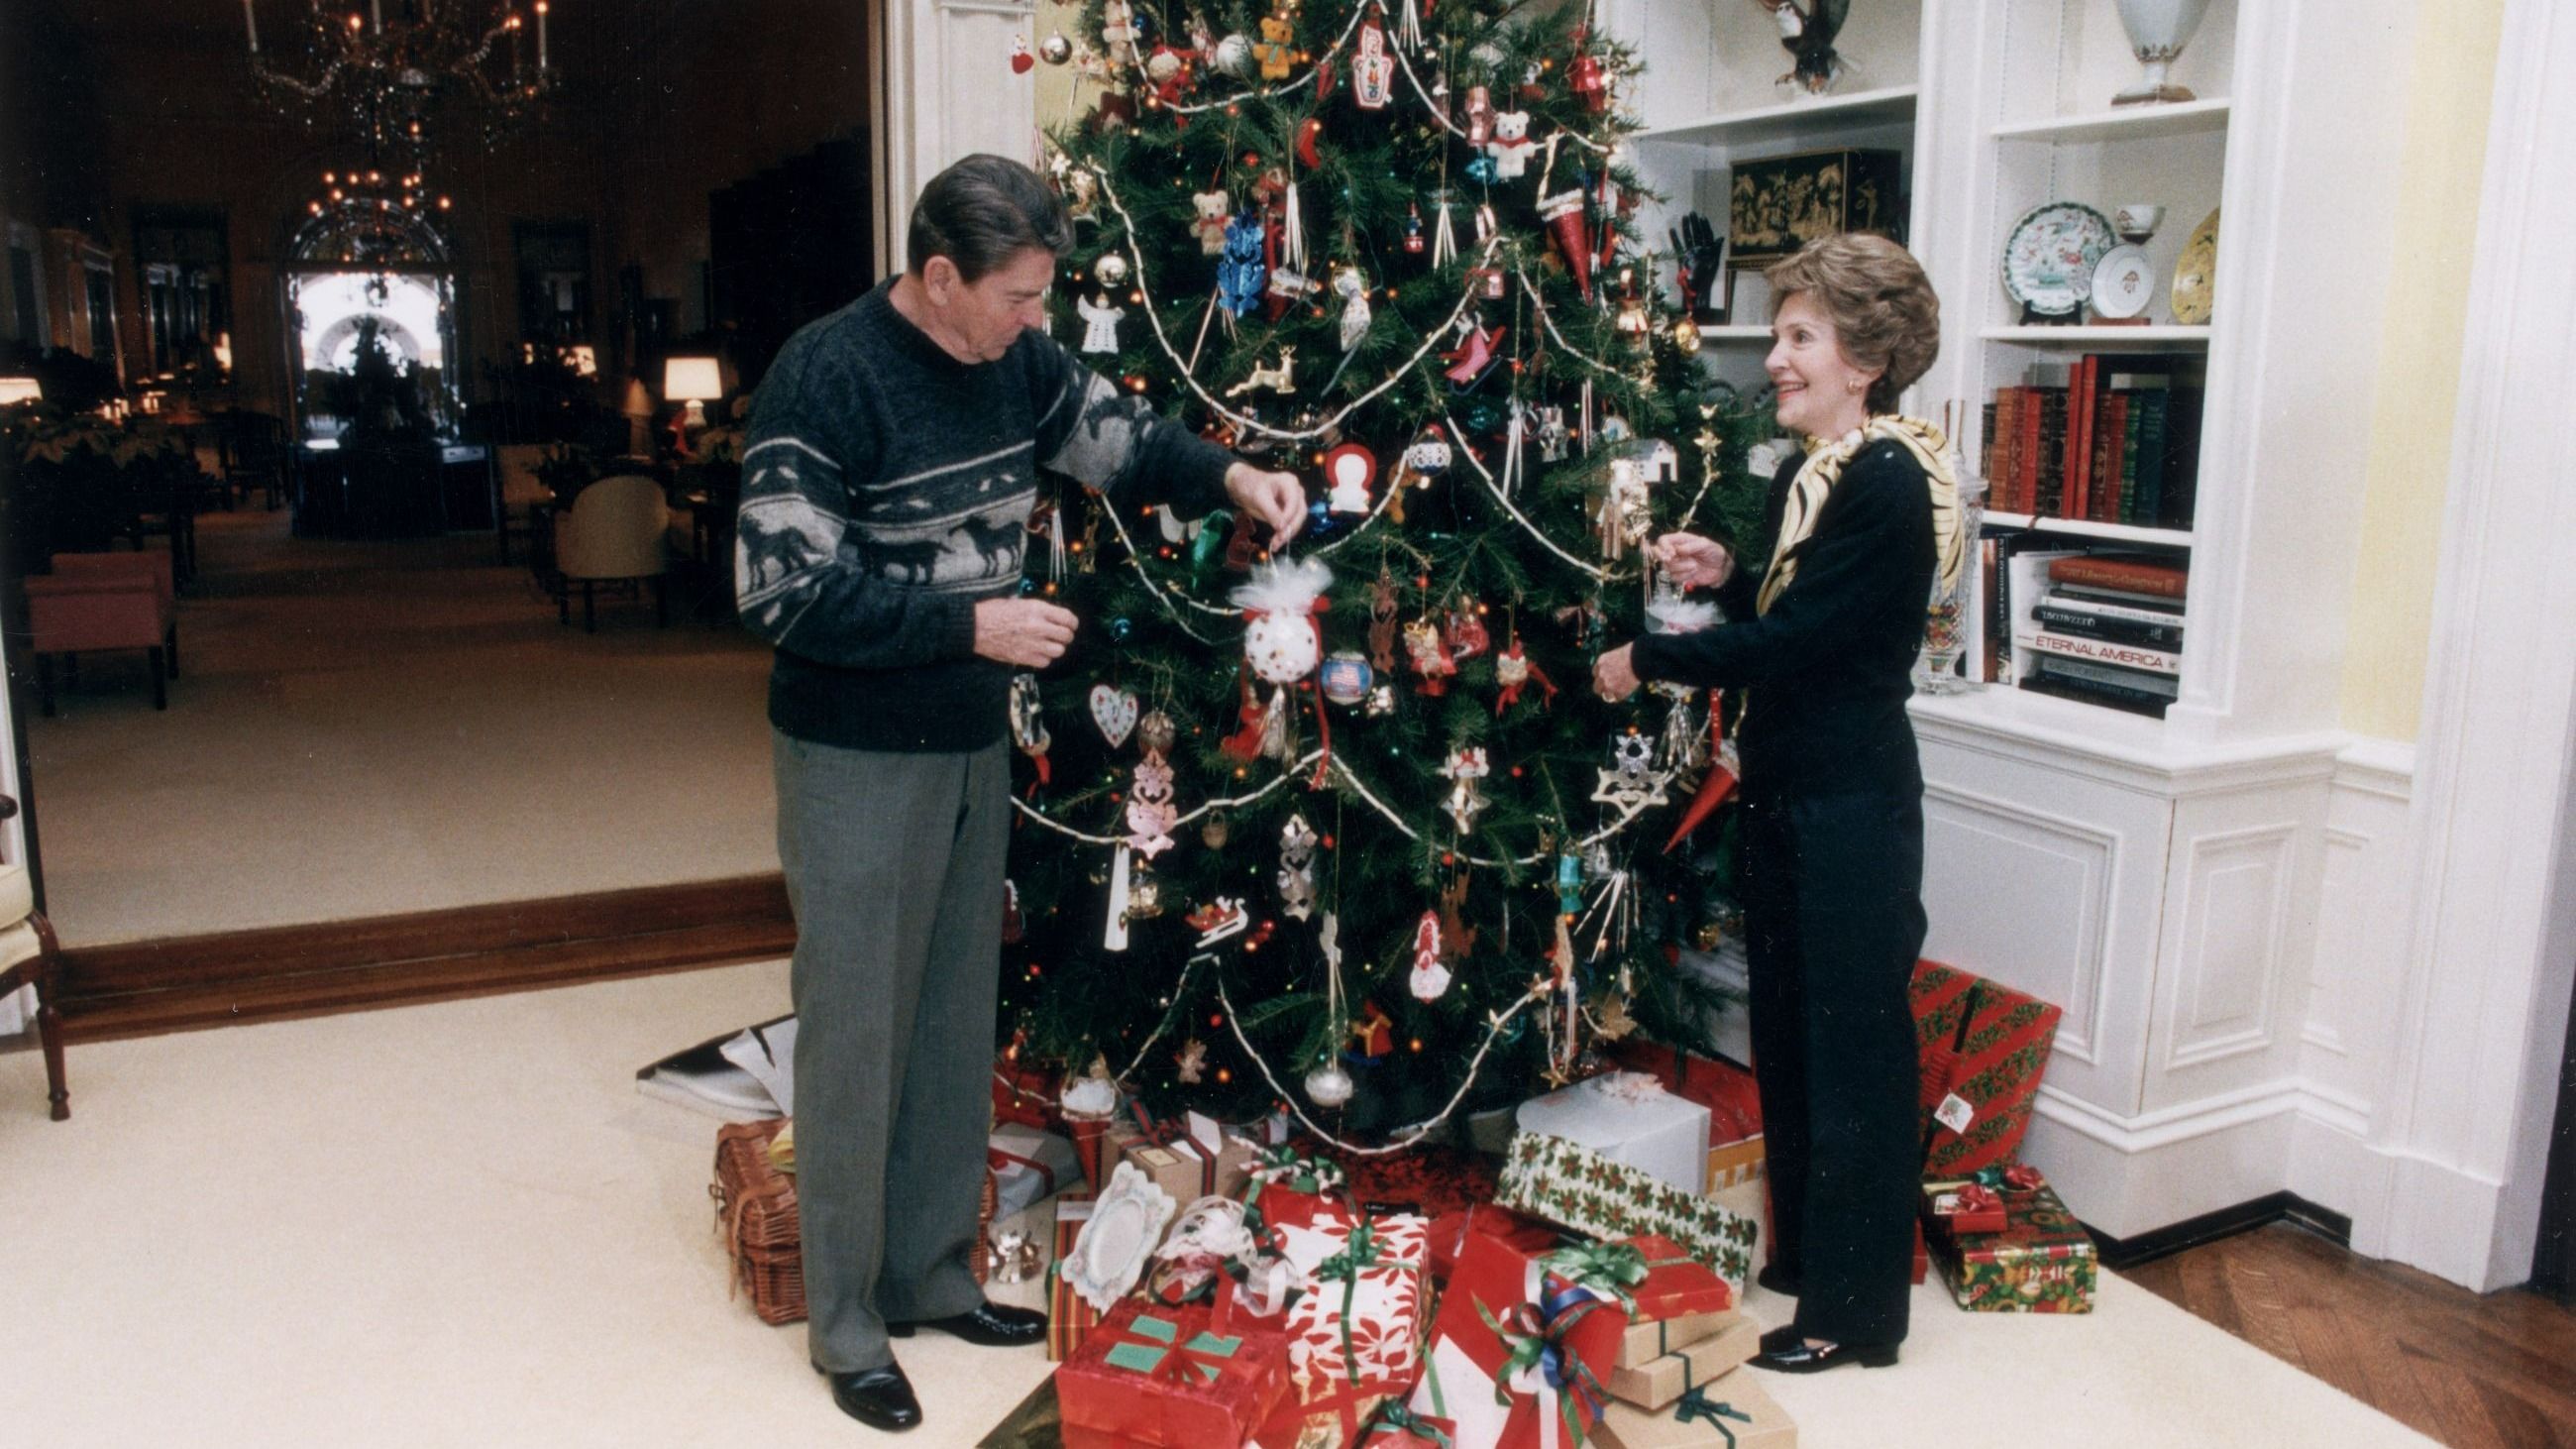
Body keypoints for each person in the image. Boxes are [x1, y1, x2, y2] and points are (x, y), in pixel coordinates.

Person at [734, 154, 1306, 1433]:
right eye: (1018, 296)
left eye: (1044, 297)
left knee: (948, 1013)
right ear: (938, 279)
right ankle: (846, 1323)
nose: (1035, 321)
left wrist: (1232, 477)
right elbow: (778, 590)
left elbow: (1122, 437)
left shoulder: (1020, 363)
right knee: (857, 1027)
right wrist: (970, 624)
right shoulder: (824, 375)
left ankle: (932, 1272)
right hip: (852, 746)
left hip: (964, 739)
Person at [1593, 232, 1961, 1375]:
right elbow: (1807, 608)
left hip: (1847, 806)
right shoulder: (1832, 472)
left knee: (1850, 1052)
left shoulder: (1890, 480)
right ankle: (1809, 1261)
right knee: (1797, 1040)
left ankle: (1855, 1317)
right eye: (1782, 335)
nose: (1776, 361)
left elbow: (1804, 642)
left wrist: (1646, 656)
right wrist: (1726, 576)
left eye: (1800, 337)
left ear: (1866, 359)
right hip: (1799, 798)